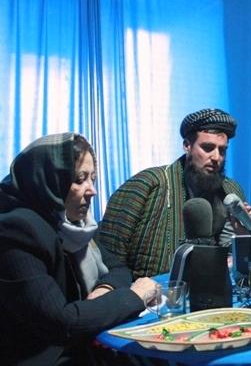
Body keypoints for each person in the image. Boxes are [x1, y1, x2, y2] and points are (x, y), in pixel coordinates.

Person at [0, 133, 157, 365]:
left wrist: (104, 288)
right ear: (47, 181)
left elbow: (118, 268)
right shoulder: (17, 230)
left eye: (93, 179)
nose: (92, 190)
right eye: (80, 179)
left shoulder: (75, 225)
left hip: (83, 344)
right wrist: (135, 296)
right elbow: (62, 323)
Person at [98, 108, 251, 278]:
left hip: (213, 289)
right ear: (187, 146)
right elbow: (108, 263)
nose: (216, 157)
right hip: (149, 292)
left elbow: (244, 268)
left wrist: (244, 236)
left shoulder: (231, 192)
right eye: (207, 148)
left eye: (222, 150)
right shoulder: (146, 185)